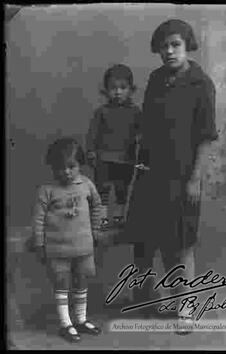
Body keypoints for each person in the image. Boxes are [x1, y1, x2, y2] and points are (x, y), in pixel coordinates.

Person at [127, 19, 218, 334]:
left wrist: (195, 179)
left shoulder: (200, 83)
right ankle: (148, 297)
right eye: (163, 46)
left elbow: (206, 138)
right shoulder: (156, 79)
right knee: (146, 238)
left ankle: (186, 306)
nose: (168, 51)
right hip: (151, 173)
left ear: (187, 44)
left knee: (181, 243)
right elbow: (149, 127)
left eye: (175, 44)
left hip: (182, 176)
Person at [31, 137, 102, 343]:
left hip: (83, 247)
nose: (66, 172)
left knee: (81, 281)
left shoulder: (87, 185)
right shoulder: (47, 190)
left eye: (71, 167)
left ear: (80, 165)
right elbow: (38, 219)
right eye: (60, 168)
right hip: (57, 249)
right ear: (52, 168)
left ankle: (81, 319)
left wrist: (95, 229)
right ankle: (66, 323)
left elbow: (97, 206)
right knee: (62, 282)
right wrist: (39, 244)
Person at [86, 64, 142, 225]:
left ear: (131, 89)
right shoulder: (101, 112)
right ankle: (102, 219)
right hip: (104, 159)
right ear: (106, 90)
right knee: (102, 190)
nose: (118, 92)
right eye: (113, 88)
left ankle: (119, 218)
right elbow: (92, 134)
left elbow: (143, 132)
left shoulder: (136, 112)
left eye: (123, 88)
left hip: (126, 159)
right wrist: (91, 151)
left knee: (121, 190)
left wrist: (141, 140)